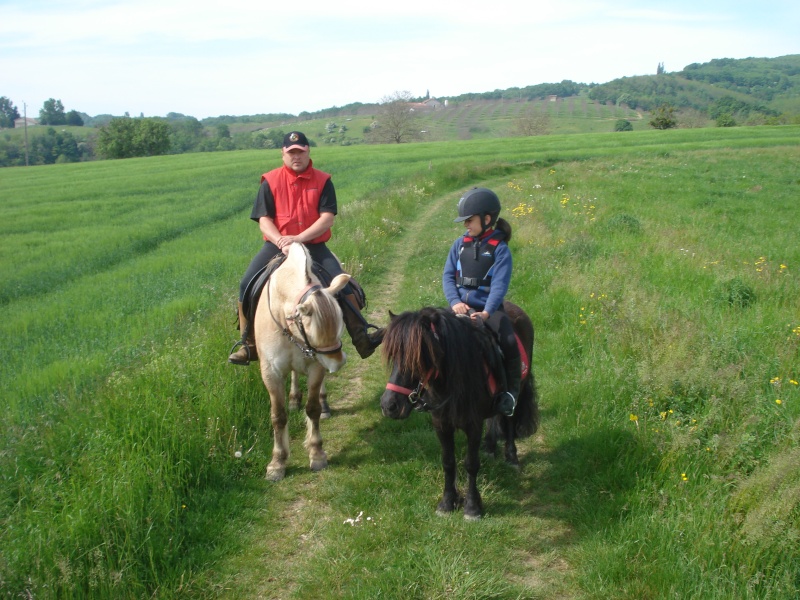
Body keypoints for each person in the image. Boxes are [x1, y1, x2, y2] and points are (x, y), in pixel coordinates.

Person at [228, 131, 383, 365]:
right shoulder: (270, 181)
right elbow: (264, 219)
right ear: (283, 154)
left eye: (300, 151)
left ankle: (361, 337)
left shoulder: (323, 181)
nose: (296, 156)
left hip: (314, 246)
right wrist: (281, 240)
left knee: (341, 285)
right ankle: (248, 344)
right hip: (277, 247)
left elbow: (327, 218)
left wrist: (298, 238)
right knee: (246, 284)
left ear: (308, 151)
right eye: (291, 153)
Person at [442, 187, 521, 416]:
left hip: (489, 309)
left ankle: (510, 393)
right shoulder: (459, 245)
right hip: (460, 306)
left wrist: (486, 313)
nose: (466, 225)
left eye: (469, 220)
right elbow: (448, 276)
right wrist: (455, 301)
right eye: (464, 221)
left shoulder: (501, 250)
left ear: (487, 219)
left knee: (508, 339)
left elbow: (499, 285)